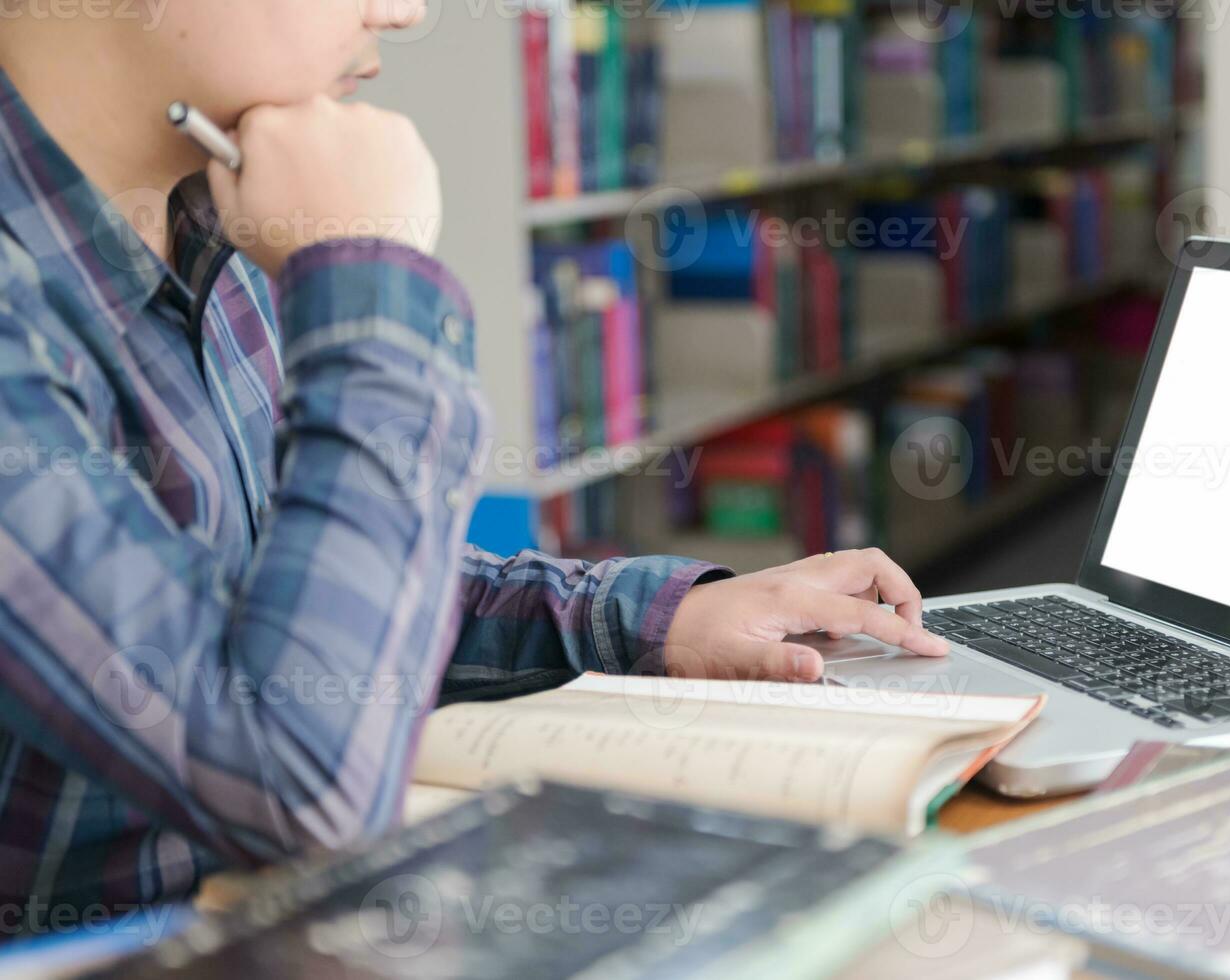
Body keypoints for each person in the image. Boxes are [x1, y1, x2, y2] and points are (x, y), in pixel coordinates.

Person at [0, 0, 948, 929]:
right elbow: (293, 782)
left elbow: (310, 602)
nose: (404, 13)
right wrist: (364, 275)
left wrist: (657, 619)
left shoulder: (217, 218)